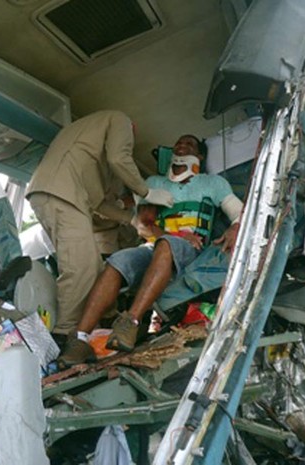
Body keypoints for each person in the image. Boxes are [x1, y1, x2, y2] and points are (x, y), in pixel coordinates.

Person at [57, 134, 244, 368]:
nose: (182, 146)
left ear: (199, 156)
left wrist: (235, 227)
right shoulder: (154, 182)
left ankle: (130, 323)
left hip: (193, 251)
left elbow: (239, 212)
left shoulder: (213, 183)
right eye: (178, 143)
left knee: (167, 245)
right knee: (117, 261)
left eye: (189, 145)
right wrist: (170, 233)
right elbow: (145, 224)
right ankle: (79, 339)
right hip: (157, 244)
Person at [26, 110, 173, 345]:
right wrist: (147, 192)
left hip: (53, 193)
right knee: (80, 268)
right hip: (62, 194)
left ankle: (106, 320)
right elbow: (119, 158)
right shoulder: (120, 120)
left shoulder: (87, 150)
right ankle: (65, 338)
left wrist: (131, 219)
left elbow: (98, 204)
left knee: (93, 267)